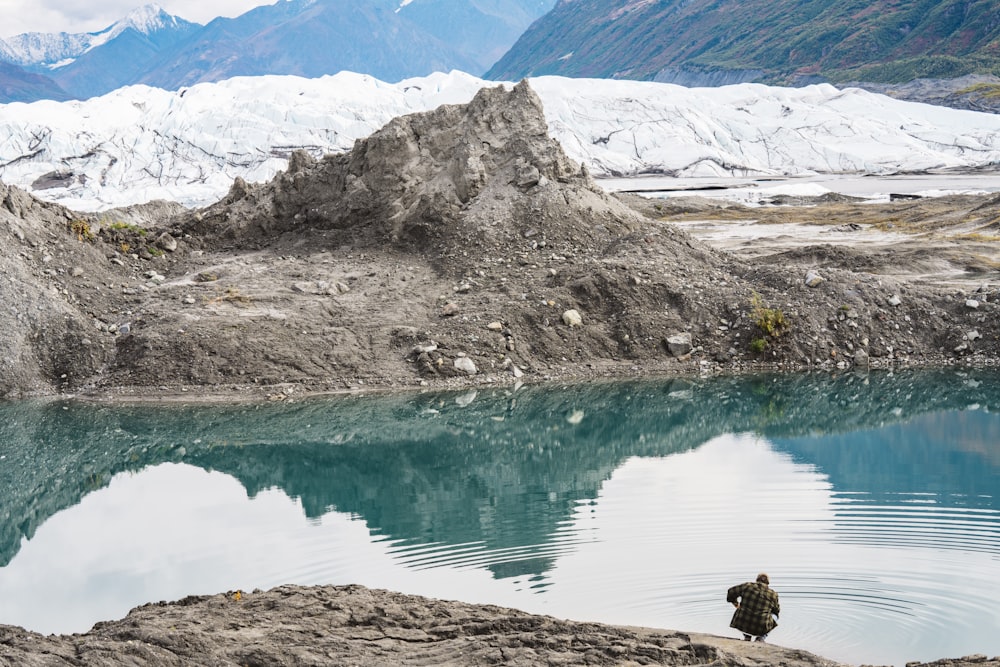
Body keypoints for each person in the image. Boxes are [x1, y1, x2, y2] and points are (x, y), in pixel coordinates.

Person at [727, 573, 780, 643]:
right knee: (775, 616)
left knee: (745, 611)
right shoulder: (773, 594)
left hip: (744, 623)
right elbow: (776, 610)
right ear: (768, 583)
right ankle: (760, 638)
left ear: (757, 580)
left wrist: (736, 604)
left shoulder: (747, 586)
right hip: (761, 626)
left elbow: (731, 591)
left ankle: (747, 636)